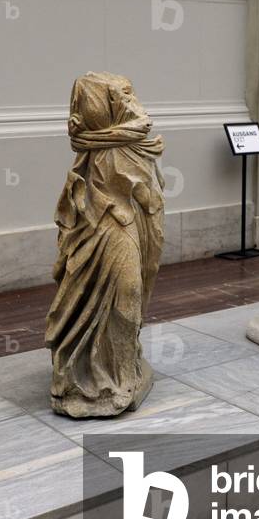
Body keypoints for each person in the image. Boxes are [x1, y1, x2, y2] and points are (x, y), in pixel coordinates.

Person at [45, 72, 165, 418]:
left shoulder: (134, 137)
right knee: (116, 289)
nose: (129, 101)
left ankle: (123, 370)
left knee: (131, 289)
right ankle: (93, 374)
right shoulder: (94, 143)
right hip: (99, 218)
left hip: (129, 218)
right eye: (120, 96)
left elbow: (146, 185)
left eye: (128, 93)